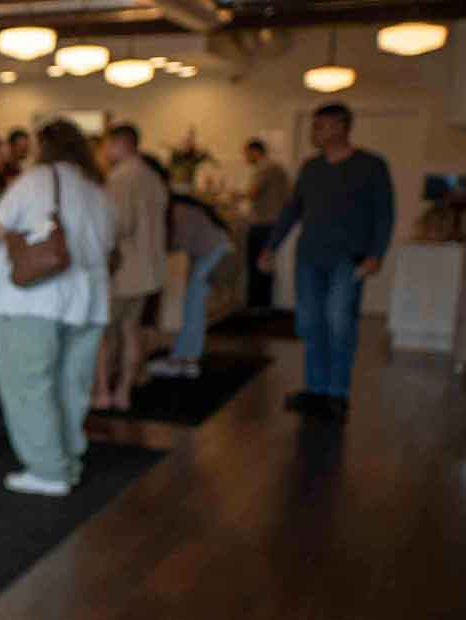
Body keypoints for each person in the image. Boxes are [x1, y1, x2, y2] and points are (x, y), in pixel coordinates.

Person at [0, 120, 116, 496]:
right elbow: (109, 245)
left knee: (29, 385)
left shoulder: (37, 180)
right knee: (70, 385)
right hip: (89, 302)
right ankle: (68, 459)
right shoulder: (98, 189)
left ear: (44, 147)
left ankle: (48, 471)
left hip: (36, 301)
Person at [260, 102, 395, 419]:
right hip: (309, 257)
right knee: (309, 324)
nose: (314, 133)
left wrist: (376, 254)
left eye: (320, 126)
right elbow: (292, 210)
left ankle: (337, 393)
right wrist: (271, 247)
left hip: (348, 259)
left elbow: (384, 214)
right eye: (314, 126)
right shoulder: (311, 167)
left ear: (341, 127)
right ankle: (315, 389)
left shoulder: (371, 165)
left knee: (339, 323)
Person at [94, 123, 167, 412]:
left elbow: (118, 225)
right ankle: (124, 392)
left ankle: (103, 391)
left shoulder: (122, 178)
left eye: (106, 145)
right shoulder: (151, 175)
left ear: (118, 144)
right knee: (131, 330)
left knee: (105, 335)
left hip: (122, 269)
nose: (103, 152)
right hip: (148, 269)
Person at [141, 157, 235, 380]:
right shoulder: (178, 203)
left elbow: (173, 245)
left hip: (213, 254)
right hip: (216, 251)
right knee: (194, 307)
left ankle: (185, 360)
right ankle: (185, 358)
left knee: (193, 307)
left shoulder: (176, 208)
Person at [243, 137, 290, 310]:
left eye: (246, 154)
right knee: (266, 264)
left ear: (255, 151)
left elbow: (253, 194)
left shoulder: (264, 168)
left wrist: (234, 195)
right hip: (275, 223)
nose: (245, 158)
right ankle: (264, 305)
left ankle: (256, 306)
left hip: (262, 223)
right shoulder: (278, 168)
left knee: (256, 265)